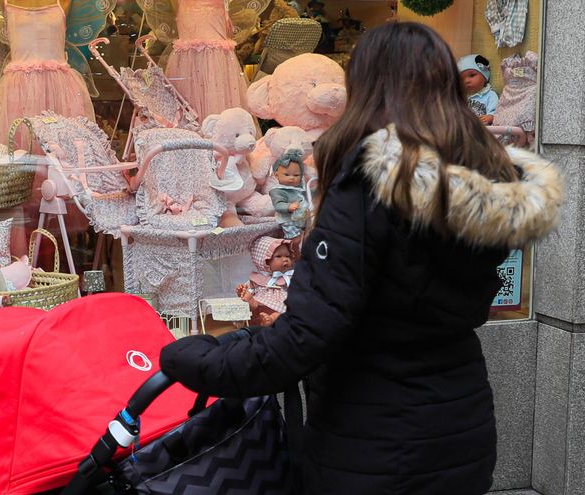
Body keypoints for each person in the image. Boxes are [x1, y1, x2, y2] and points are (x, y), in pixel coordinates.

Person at [159, 22, 562, 494]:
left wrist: (190, 359)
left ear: (366, 88)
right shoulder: (479, 186)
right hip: (460, 430)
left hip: (373, 443)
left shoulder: (368, 188)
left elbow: (305, 338)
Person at [459, 53, 499, 125]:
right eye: (462, 79)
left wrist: (490, 117)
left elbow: (497, 111)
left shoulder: (490, 95)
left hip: (482, 128)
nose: (466, 81)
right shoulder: (462, 97)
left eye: (472, 75)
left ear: (485, 77)